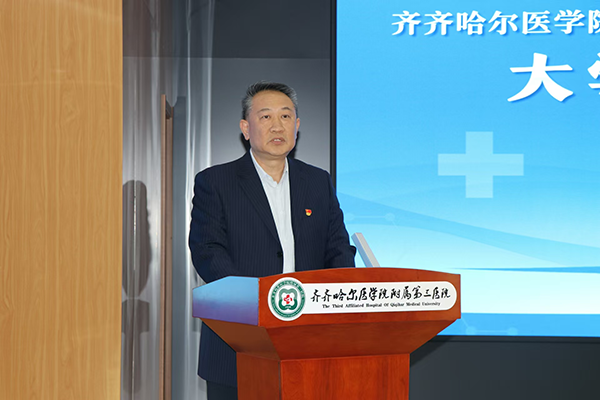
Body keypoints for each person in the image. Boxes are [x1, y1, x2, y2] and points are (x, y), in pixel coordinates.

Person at [189, 81, 356, 400]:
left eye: (285, 116)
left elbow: (337, 248)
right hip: (239, 341)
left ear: (297, 126)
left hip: (309, 342)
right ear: (245, 128)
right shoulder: (216, 181)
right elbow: (207, 251)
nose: (277, 126)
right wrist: (255, 303)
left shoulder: (317, 181)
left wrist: (343, 297)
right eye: (265, 116)